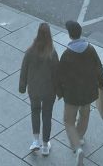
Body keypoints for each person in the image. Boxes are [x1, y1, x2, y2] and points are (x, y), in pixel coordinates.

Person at [56, 20, 103, 165]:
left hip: (72, 95)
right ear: (80, 32)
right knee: (84, 115)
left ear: (70, 35)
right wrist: (101, 85)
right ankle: (80, 137)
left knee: (68, 121)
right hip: (88, 92)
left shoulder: (66, 54)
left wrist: (60, 92)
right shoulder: (91, 50)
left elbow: (59, 76)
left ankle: (77, 147)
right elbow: (99, 69)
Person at [19, 23, 59, 157]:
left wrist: (22, 87)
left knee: (35, 111)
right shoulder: (52, 53)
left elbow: (23, 71)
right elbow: (57, 74)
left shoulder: (30, 52)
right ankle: (45, 145)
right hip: (49, 91)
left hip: (34, 90)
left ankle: (35, 140)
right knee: (47, 116)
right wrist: (60, 91)